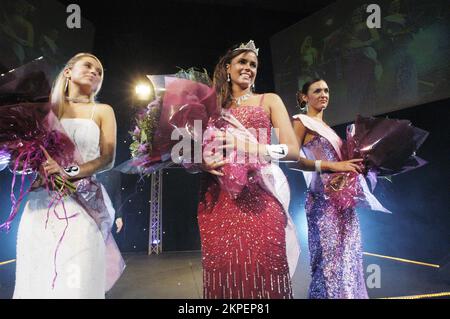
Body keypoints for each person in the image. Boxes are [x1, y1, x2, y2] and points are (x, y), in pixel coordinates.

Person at [196, 40, 304, 299]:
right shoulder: (212, 108)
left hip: (262, 195)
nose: (248, 68)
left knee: (264, 269)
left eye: (253, 64)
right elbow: (193, 150)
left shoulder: (269, 100)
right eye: (242, 62)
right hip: (220, 199)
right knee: (227, 272)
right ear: (228, 68)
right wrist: (202, 162)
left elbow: (291, 151)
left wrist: (252, 146)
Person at [13, 53, 124, 298]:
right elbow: (24, 153)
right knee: (37, 280)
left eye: (99, 70)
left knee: (77, 282)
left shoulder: (102, 111)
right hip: (40, 206)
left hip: (81, 207)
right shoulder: (44, 111)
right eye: (88, 65)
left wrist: (69, 171)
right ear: (68, 71)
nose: (94, 71)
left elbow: (107, 158)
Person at [291, 78, 368, 299]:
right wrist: (335, 166)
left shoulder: (326, 128)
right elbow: (293, 160)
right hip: (322, 203)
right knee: (329, 263)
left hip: (342, 202)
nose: (324, 94)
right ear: (304, 97)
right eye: (317, 91)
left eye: (326, 90)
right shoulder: (301, 122)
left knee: (349, 259)